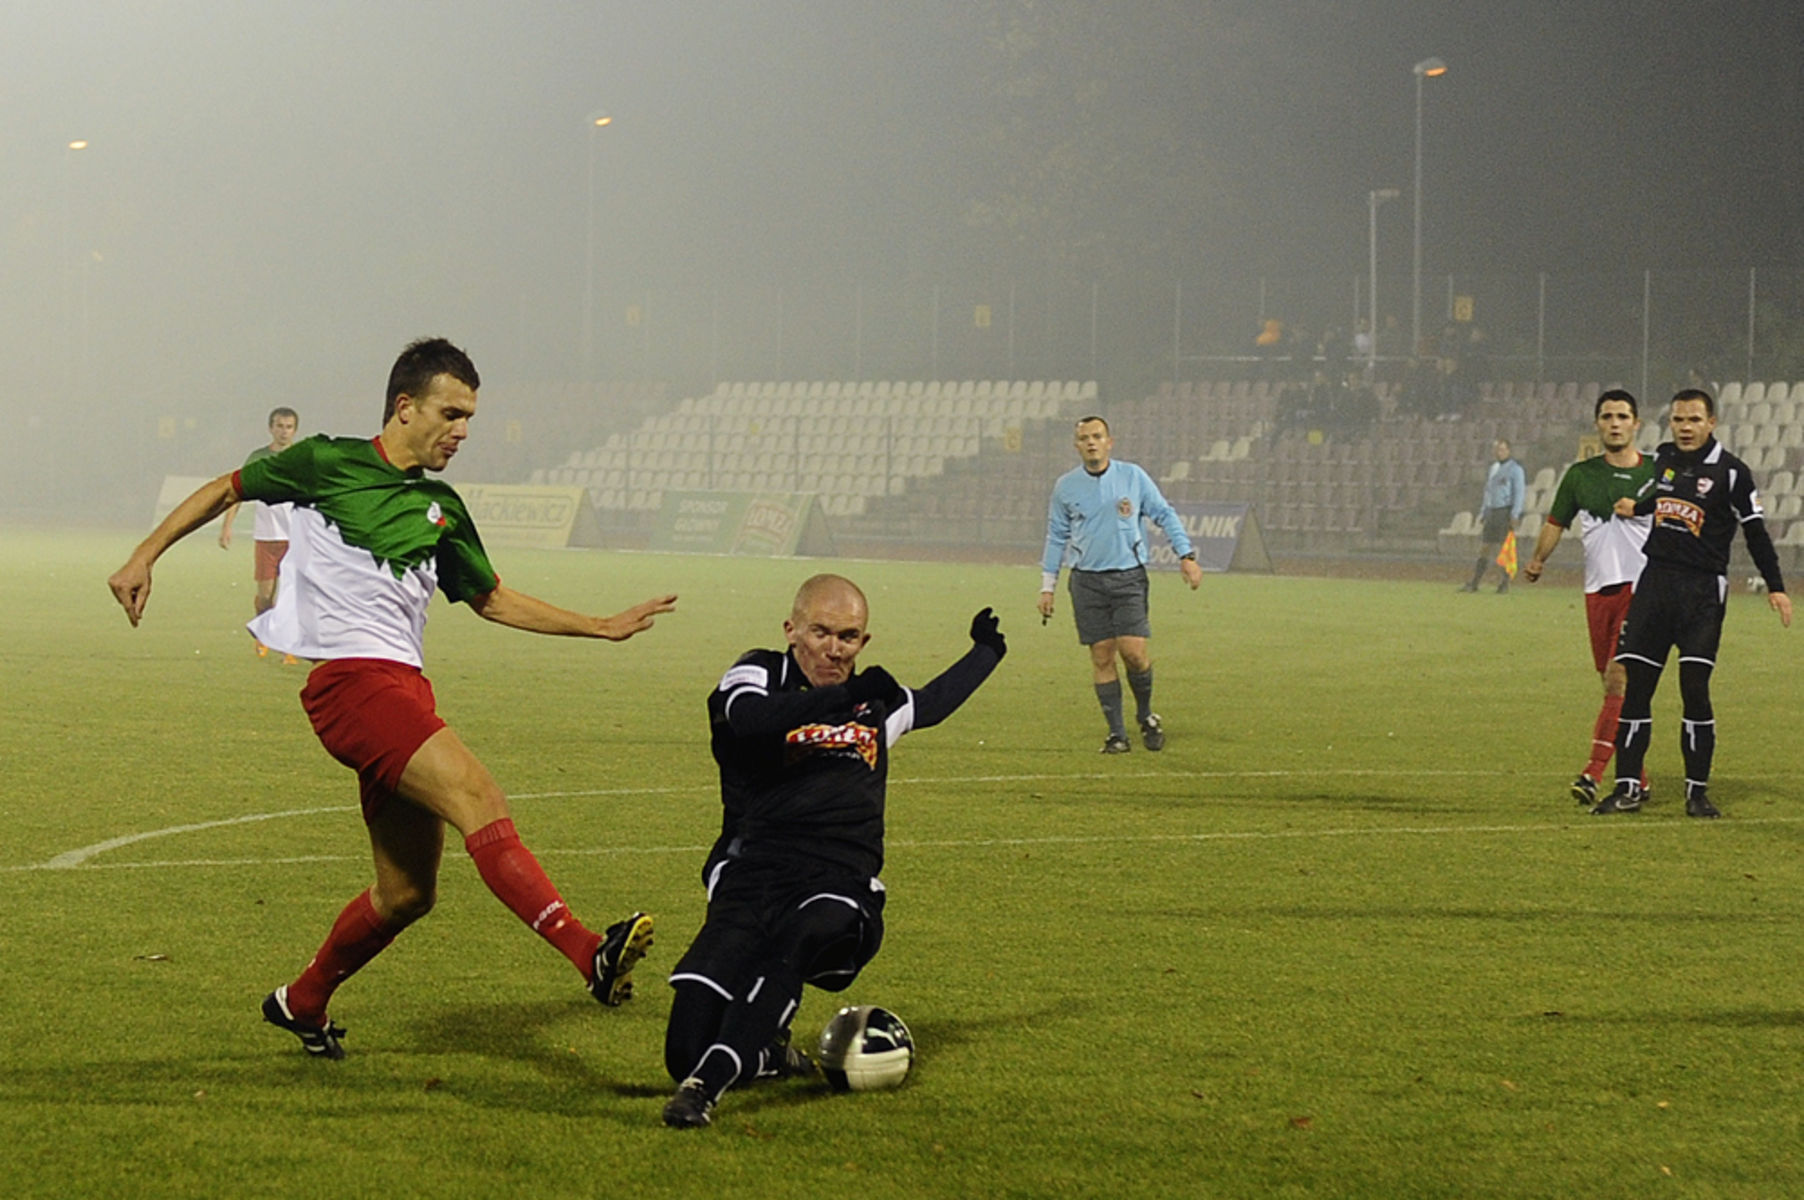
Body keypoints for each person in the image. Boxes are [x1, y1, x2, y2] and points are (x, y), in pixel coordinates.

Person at [107, 337, 677, 1058]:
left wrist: (599, 626)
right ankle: (588, 953)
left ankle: (301, 1000)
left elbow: (491, 599)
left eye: (470, 416)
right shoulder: (326, 462)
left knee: (407, 893)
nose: (463, 430)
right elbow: (228, 487)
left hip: (403, 687)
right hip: (352, 683)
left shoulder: (442, 508)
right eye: (452, 412)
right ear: (405, 407)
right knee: (477, 795)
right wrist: (143, 555)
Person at [661, 574, 1005, 1128]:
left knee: (799, 939)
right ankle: (764, 1053)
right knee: (683, 1050)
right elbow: (749, 720)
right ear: (792, 629)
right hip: (755, 868)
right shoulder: (759, 672)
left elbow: (931, 703)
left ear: (863, 642)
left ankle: (705, 1091)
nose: (833, 647)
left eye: (848, 636)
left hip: (839, 875)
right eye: (820, 632)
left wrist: (986, 653)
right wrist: (844, 696)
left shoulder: (874, 706)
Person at [1590, 388, 1791, 818]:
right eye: (1678, 420)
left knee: (1694, 690)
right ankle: (1627, 789)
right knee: (1636, 690)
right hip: (1656, 584)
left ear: (1711, 423)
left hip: (1702, 593)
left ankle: (1697, 793)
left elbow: (1755, 531)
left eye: (1693, 420)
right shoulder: (1663, 458)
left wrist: (1775, 585)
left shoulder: (1733, 473)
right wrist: (1636, 506)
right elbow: (1659, 496)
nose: (1684, 428)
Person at [1521, 389, 1657, 805]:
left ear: (1636, 423)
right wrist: (1538, 560)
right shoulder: (1580, 475)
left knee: (1619, 678)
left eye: (1622, 416)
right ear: (1597, 424)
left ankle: (1594, 774)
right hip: (1598, 591)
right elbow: (1555, 521)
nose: (1614, 423)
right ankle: (1639, 777)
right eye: (1607, 416)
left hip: (1642, 590)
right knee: (1613, 687)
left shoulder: (1657, 472)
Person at [1038, 416, 1203, 754]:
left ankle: (1145, 715)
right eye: (1084, 438)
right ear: (1077, 445)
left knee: (1134, 653)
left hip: (1128, 577)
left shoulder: (1132, 476)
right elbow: (1056, 536)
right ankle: (1117, 734)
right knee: (1101, 656)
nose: (1091, 443)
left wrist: (1185, 554)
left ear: (1110, 441)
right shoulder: (1066, 487)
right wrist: (1047, 586)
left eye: (1097, 436)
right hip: (1086, 581)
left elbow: (1164, 514)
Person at [219, 406, 301, 661]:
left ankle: (289, 646)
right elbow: (238, 493)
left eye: (288, 427)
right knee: (266, 596)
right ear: (270, 428)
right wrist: (227, 526)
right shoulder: (258, 457)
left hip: (295, 538)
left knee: (292, 595)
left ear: (295, 430)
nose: (284, 431)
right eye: (279, 426)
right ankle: (263, 635)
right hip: (266, 538)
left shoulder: (301, 457)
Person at [1460, 439, 1525, 593]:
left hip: (1504, 511)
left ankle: (1504, 583)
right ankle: (1474, 582)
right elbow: (1488, 493)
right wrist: (1484, 511)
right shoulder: (1493, 468)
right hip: (1492, 512)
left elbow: (1519, 493)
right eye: (1497, 449)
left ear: (1508, 450)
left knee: (1504, 549)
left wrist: (1515, 514)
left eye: (1502, 449)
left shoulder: (1515, 470)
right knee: (1485, 547)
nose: (1499, 452)